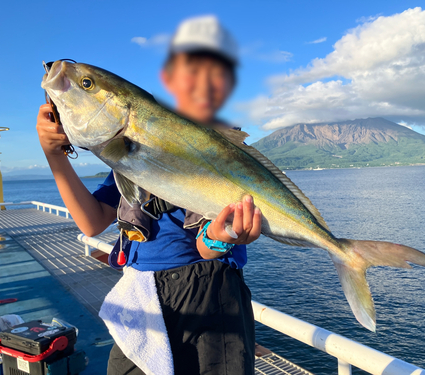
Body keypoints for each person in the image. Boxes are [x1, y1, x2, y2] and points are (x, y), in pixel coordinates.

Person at [36, 15, 259, 375]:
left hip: (211, 290)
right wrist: (54, 155)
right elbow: (91, 221)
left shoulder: (220, 154)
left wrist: (224, 237)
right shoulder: (134, 147)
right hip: (142, 291)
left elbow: (206, 249)